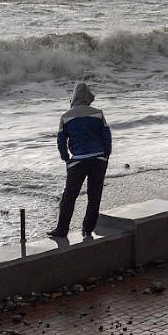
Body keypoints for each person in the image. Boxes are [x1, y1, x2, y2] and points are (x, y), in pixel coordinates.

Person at [47, 83, 112, 239]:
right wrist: (106, 154)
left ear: (74, 98)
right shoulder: (98, 113)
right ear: (89, 97)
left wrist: (66, 159)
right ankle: (88, 228)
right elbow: (106, 135)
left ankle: (62, 229)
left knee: (69, 196)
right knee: (94, 195)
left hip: (77, 161)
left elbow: (61, 141)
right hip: (98, 158)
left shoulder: (66, 116)